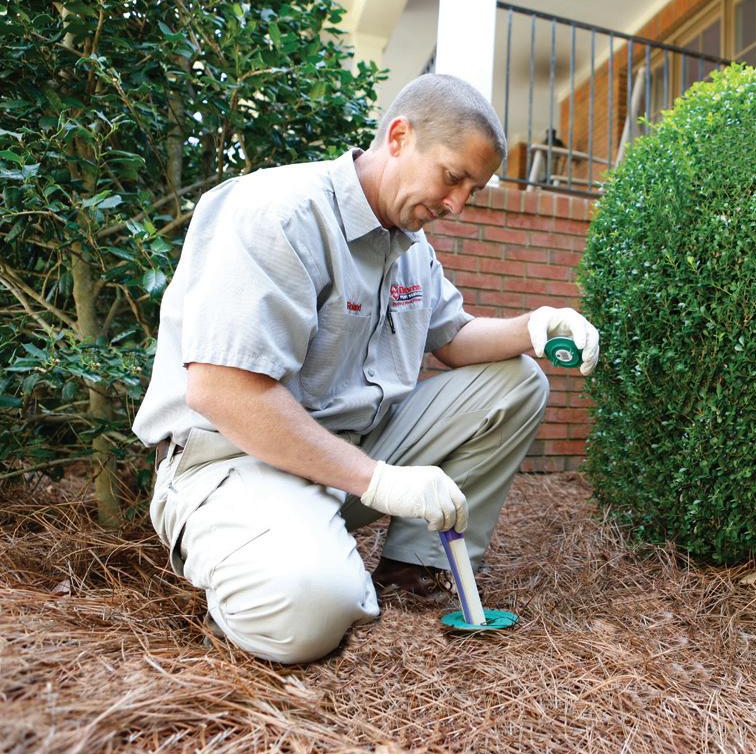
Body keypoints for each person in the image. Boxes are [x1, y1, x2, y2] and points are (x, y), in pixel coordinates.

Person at [132, 74, 600, 664]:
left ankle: (412, 571)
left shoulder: (410, 245)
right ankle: (266, 575)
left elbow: (453, 338)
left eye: (473, 190)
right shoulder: (278, 213)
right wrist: (380, 482)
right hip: (236, 460)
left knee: (516, 381)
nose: (457, 205)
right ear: (399, 137)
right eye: (452, 177)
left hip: (345, 459)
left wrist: (537, 327)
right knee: (312, 609)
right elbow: (225, 391)